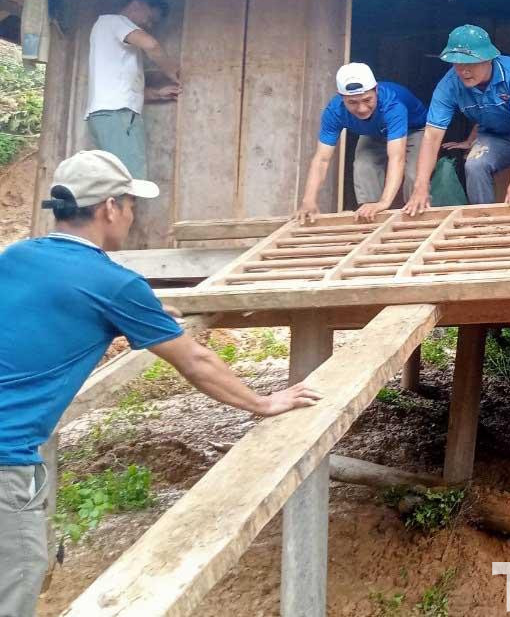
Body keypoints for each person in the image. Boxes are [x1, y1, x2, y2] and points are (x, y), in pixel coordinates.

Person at [0, 151, 321, 616]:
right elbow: (195, 360)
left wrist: (143, 316)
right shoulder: (114, 283)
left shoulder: (18, 256)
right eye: (131, 204)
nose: (132, 216)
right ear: (110, 207)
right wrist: (262, 402)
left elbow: (48, 314)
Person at [403, 25, 510, 214]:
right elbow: (431, 137)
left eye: (470, 64)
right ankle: (482, 220)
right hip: (495, 133)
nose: (464, 71)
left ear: (488, 59)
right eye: (457, 64)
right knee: (475, 164)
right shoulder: (448, 86)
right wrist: (421, 186)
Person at [298, 63, 428, 224]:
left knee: (413, 174)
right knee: (363, 165)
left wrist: (385, 202)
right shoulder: (334, 112)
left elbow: (397, 158)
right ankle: (371, 215)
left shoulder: (392, 106)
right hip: (374, 131)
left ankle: (418, 216)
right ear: (341, 97)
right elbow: (322, 159)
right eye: (352, 102)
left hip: (413, 129)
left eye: (367, 100)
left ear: (376, 90)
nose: (362, 108)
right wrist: (308, 200)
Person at [85, 0, 181, 180]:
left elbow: (123, 88)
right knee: (130, 183)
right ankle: (124, 210)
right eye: (151, 19)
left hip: (108, 117)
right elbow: (152, 46)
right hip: (117, 116)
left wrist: (157, 93)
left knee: (115, 182)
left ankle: (115, 210)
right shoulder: (114, 21)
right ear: (137, 5)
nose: (150, 26)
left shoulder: (110, 34)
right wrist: (173, 72)